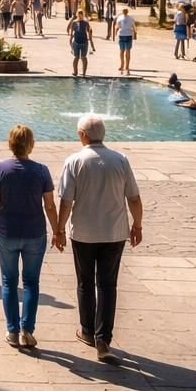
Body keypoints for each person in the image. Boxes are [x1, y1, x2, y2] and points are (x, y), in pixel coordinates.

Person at [56, 114, 143, 364]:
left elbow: (66, 201)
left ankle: (87, 331)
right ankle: (103, 336)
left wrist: (60, 229)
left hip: (83, 232)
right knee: (107, 284)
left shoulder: (74, 161)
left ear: (83, 135)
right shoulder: (120, 160)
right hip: (114, 232)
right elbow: (134, 198)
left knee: (85, 283)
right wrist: (137, 224)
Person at [0, 124, 61, 349]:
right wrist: (57, 231)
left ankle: (12, 331)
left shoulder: (0, 168)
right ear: (31, 145)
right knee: (31, 282)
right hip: (35, 232)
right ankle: (27, 330)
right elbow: (49, 205)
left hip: (7, 232)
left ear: (10, 144)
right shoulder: (41, 170)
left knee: (9, 282)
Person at [68, 11, 95, 77]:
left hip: (84, 41)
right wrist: (71, 43)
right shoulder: (74, 22)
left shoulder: (85, 23)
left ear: (82, 15)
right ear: (77, 15)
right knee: (76, 57)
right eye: (79, 14)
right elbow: (71, 34)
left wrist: (92, 45)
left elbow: (89, 32)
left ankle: (84, 72)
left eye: (81, 15)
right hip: (76, 41)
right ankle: (75, 72)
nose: (80, 16)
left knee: (83, 57)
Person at [115, 7, 136, 74]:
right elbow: (134, 27)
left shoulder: (120, 18)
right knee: (127, 51)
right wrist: (135, 33)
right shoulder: (131, 18)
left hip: (122, 35)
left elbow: (118, 26)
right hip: (128, 35)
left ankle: (122, 65)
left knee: (122, 51)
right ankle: (126, 66)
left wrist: (116, 32)